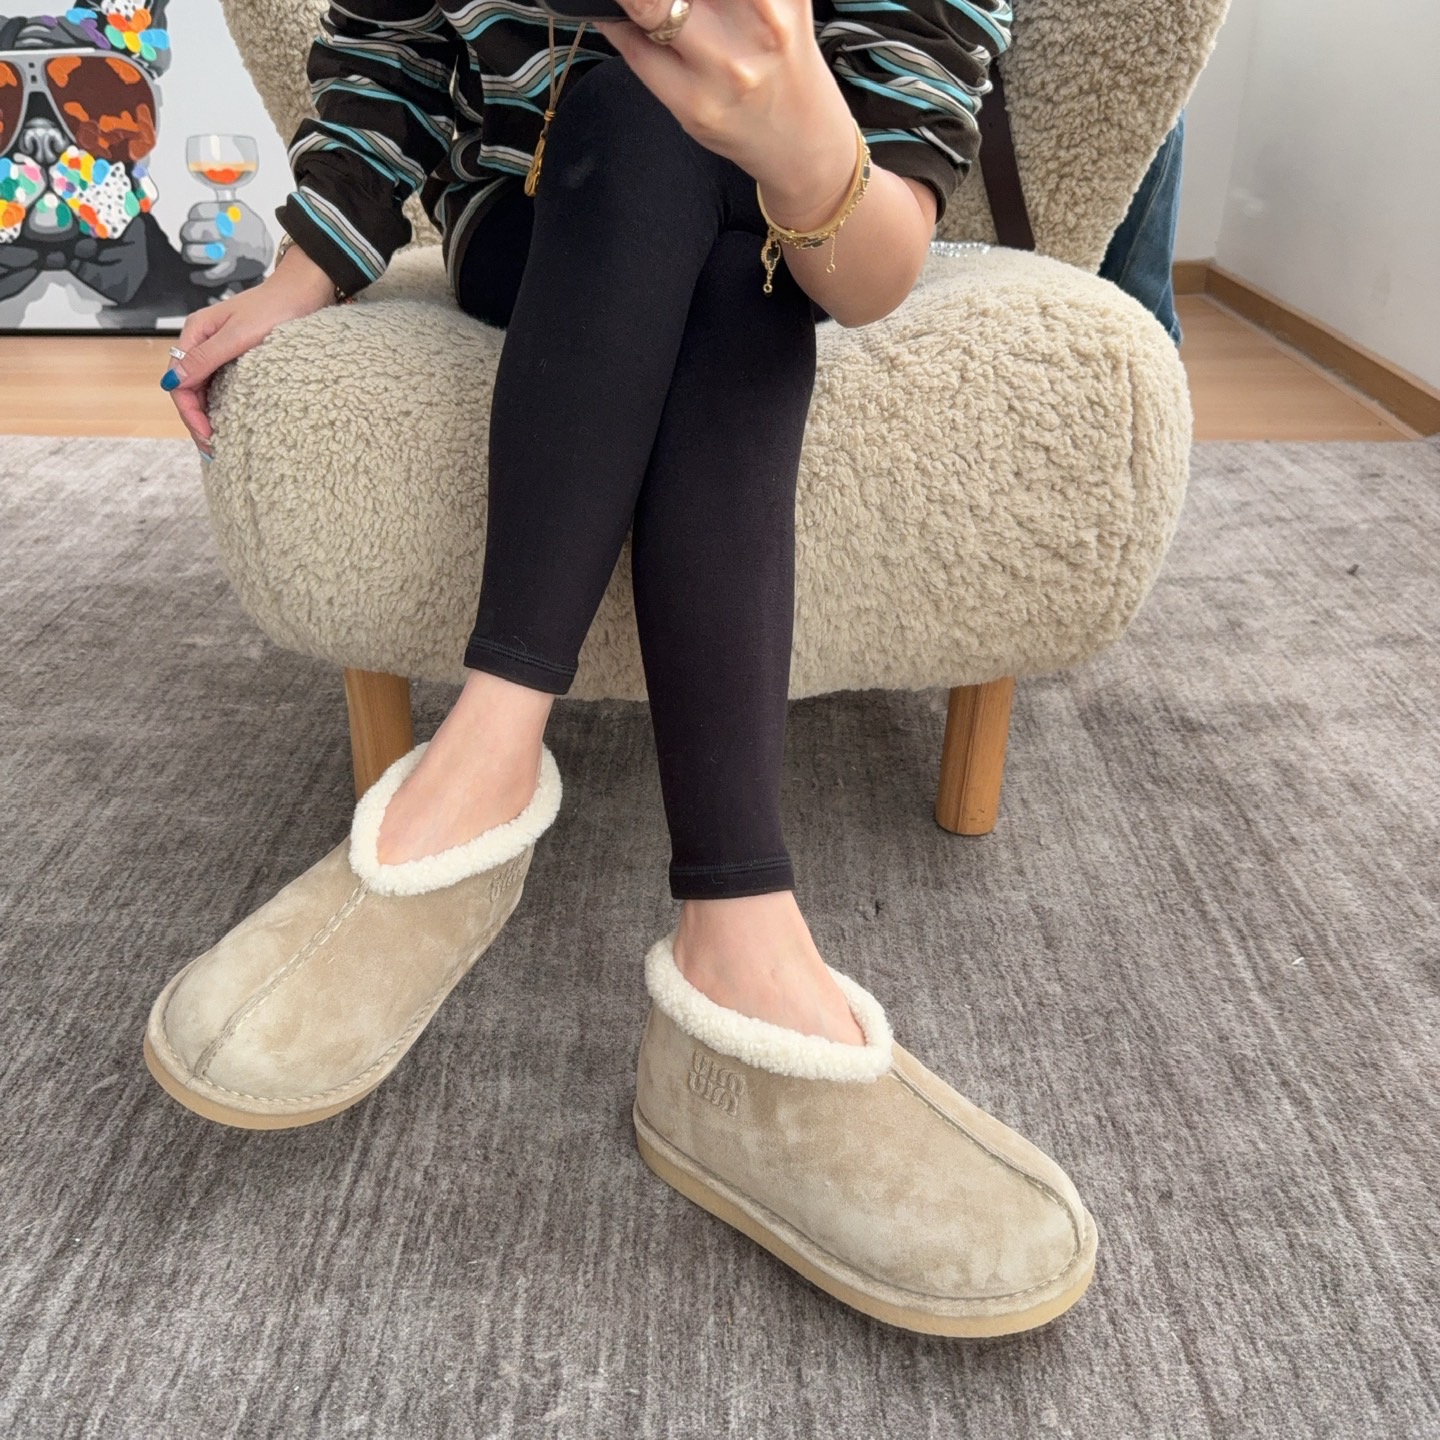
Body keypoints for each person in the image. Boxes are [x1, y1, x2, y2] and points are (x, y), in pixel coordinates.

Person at [143, 0, 1097, 1337]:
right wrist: (302, 272)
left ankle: (487, 785)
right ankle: (731, 947)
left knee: (725, 194)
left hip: (811, 228)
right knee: (640, 101)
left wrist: (790, 119)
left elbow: (876, 259)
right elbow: (392, 59)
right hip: (542, 213)